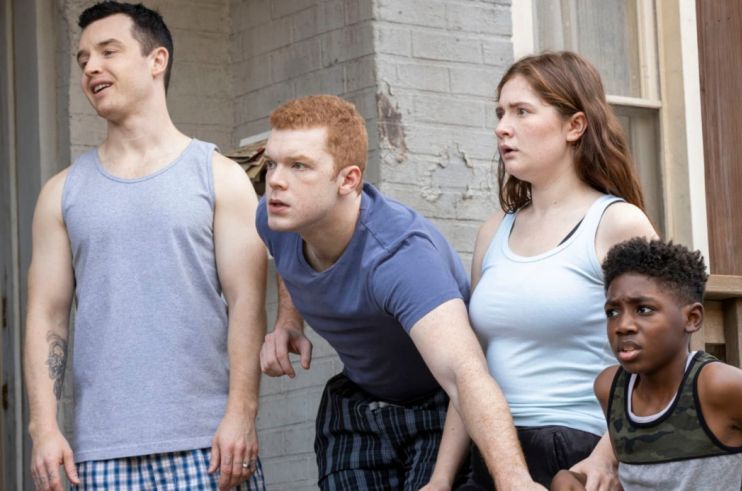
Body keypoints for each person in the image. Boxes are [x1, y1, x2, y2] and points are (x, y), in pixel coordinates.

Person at [24, 2, 267, 490]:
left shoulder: (220, 177)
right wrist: (44, 428)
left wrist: (242, 413)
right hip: (100, 456)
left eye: (108, 51)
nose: (91, 66)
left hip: (210, 447)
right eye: (83, 58)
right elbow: (47, 317)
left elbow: (248, 303)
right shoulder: (61, 193)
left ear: (157, 61)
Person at [256, 94, 544, 490]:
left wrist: (515, 481)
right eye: (272, 163)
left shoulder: (398, 257)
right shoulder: (276, 217)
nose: (275, 180)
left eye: (299, 166)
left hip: (437, 409)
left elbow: (465, 374)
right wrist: (288, 320)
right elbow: (285, 257)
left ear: (348, 179)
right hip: (357, 401)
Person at [424, 51, 657, 490]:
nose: (502, 127)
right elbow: (472, 368)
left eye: (522, 111)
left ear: (575, 126)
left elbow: (662, 361)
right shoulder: (492, 232)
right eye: (500, 113)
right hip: (491, 456)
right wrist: (440, 478)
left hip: (577, 456)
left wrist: (608, 456)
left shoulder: (617, 224)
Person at [551, 237, 742, 490]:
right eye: (613, 312)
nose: (623, 325)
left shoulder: (717, 387)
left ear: (691, 318)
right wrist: (567, 478)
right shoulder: (610, 388)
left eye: (643, 309)